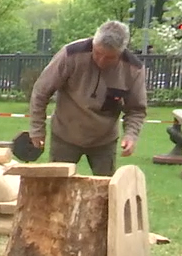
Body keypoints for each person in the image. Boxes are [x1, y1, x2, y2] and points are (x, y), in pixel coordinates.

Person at [28, 20, 148, 177]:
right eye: (97, 53)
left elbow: (136, 109)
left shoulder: (133, 69)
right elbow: (41, 92)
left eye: (109, 58)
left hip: (104, 140)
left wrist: (131, 135)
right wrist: (37, 130)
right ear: (93, 42)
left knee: (106, 192)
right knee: (56, 187)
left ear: (121, 53)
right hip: (65, 135)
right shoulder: (70, 54)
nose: (101, 61)